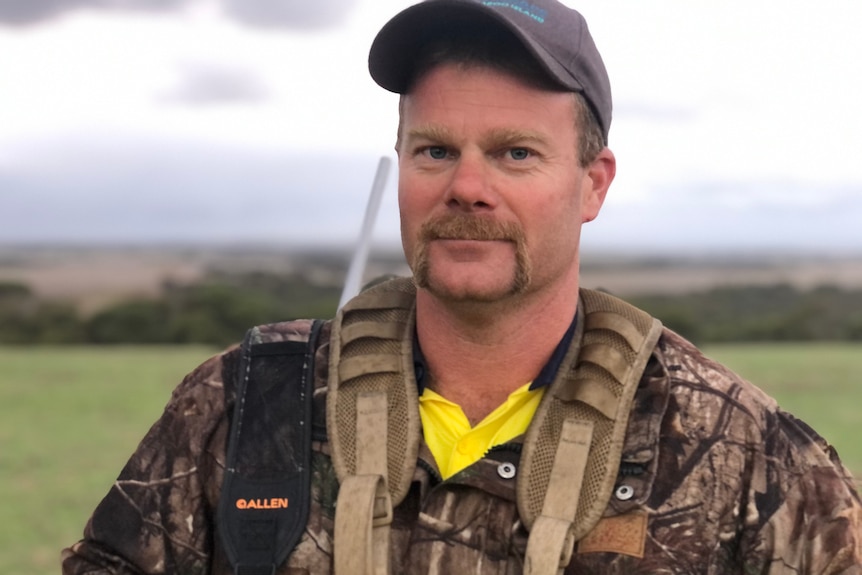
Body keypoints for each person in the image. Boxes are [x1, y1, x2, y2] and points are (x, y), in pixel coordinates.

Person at [62, 0, 862, 573]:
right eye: (435, 150)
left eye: (516, 153)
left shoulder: (737, 447)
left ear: (593, 183)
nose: (467, 187)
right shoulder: (244, 407)